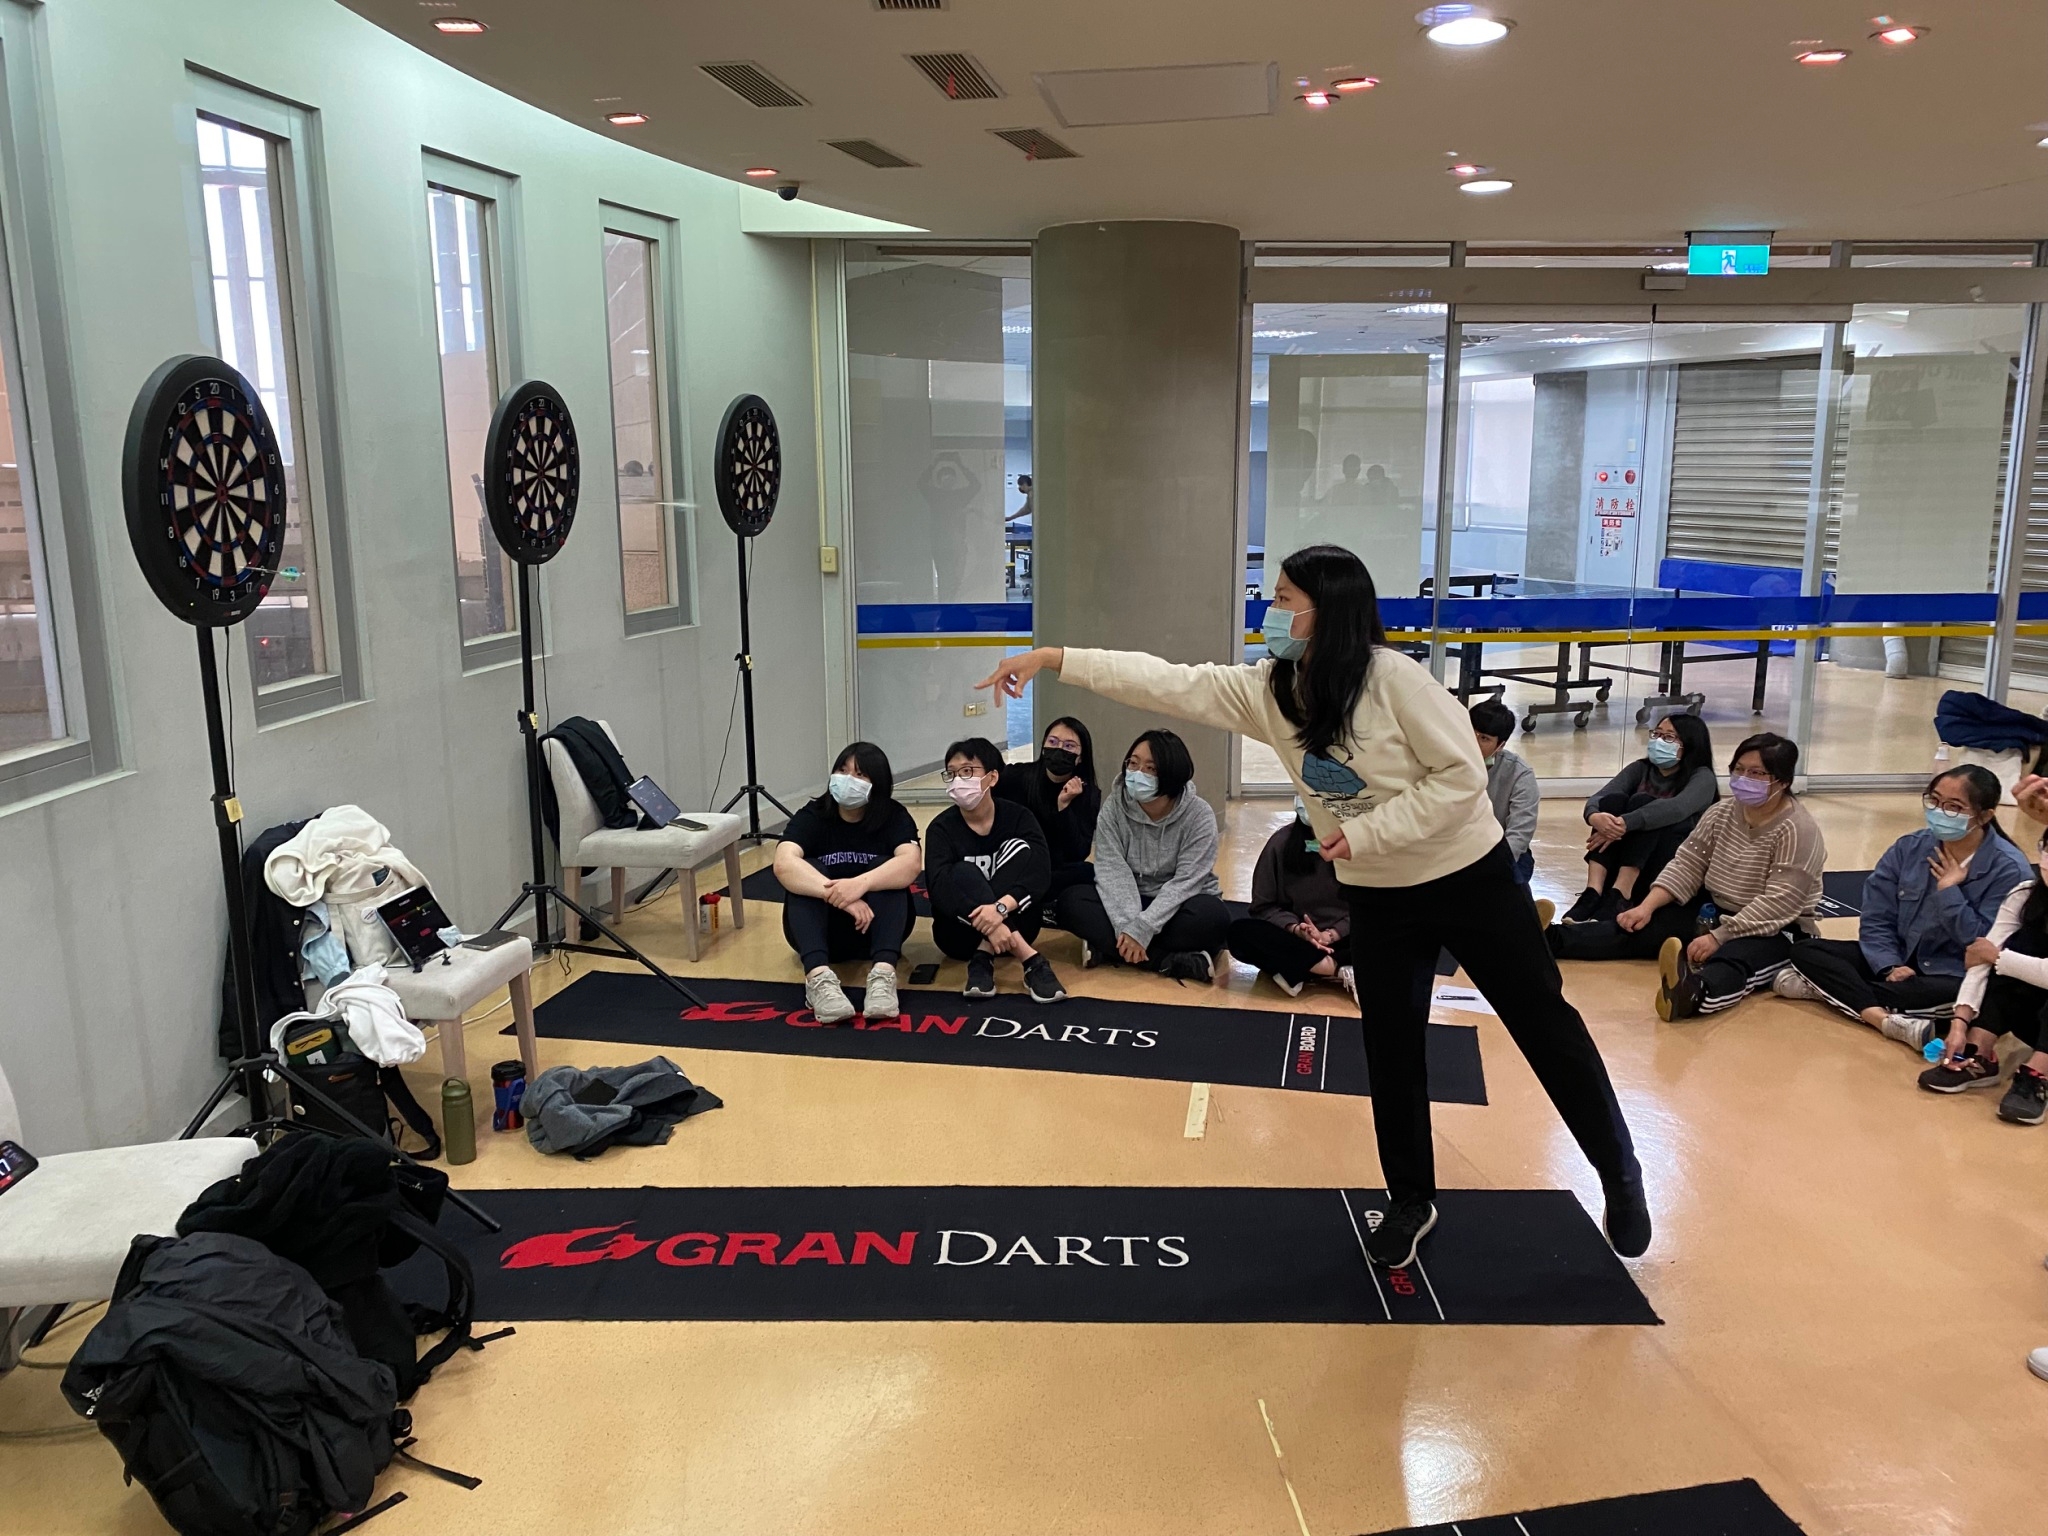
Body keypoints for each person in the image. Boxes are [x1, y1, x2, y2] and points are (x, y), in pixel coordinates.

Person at [977, 543, 1648, 1268]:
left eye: (1284, 599)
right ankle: (1411, 1199)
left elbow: (1461, 779)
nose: (1270, 610)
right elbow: (1169, 683)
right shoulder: (1274, 689)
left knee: (1543, 1023)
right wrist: (1054, 658)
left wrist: (1368, 834)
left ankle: (1618, 1169)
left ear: (1328, 612)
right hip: (1380, 896)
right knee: (1391, 1047)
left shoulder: (1396, 681)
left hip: (1467, 877)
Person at [1777, 766, 2031, 1051]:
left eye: (1954, 807)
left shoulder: (2009, 870)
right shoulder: (1909, 847)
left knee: (1953, 995)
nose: (1939, 811)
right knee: (1806, 951)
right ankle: (1883, 1017)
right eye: (1934, 801)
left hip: (1953, 974)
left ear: (1984, 816)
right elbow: (1876, 916)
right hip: (1899, 958)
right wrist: (1889, 965)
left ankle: (1829, 991)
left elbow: (1982, 946)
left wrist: (1949, 892)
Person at [1603, 733, 1825, 1021]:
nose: (1744, 778)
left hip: (1777, 929)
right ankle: (1556, 939)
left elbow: (1779, 903)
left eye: (1756, 773)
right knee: (1644, 927)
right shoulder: (1721, 813)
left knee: (1734, 959)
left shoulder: (1799, 830)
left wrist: (1719, 938)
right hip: (1717, 911)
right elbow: (1688, 864)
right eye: (1738, 769)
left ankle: (1692, 995)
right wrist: (1646, 906)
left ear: (1782, 781)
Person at [1056, 729, 1232, 983]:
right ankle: (1170, 961)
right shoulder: (1114, 807)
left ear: (1172, 773)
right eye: (1133, 763)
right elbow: (1111, 869)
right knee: (1071, 902)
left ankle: (1109, 949)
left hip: (1178, 904)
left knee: (1213, 918)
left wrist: (1143, 928)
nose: (1138, 773)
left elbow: (1188, 881)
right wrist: (1129, 926)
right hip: (1128, 898)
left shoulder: (1199, 815)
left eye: (1151, 768)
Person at [772, 742, 921, 1025]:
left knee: (886, 868)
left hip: (877, 929)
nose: (848, 779)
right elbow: (783, 863)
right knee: (806, 871)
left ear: (877, 784)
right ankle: (818, 979)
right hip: (821, 933)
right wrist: (841, 896)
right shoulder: (814, 814)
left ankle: (883, 976)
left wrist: (861, 884)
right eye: (842, 771)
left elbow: (911, 863)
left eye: (859, 775)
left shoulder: (893, 816)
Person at [923, 737, 1067, 1005]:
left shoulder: (1019, 817)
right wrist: (992, 921)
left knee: (1020, 849)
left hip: (1021, 922)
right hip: (958, 935)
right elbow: (940, 889)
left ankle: (983, 957)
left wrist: (999, 910)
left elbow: (1039, 874)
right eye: (952, 774)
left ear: (992, 777)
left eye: (967, 771)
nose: (958, 780)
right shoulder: (941, 828)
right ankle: (1031, 960)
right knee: (962, 872)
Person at [1561, 712, 1718, 923]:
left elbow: (1677, 808)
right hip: (1626, 849)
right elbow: (1601, 796)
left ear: (1689, 744)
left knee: (1643, 803)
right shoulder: (1641, 768)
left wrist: (1626, 823)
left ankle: (1622, 893)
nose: (1659, 741)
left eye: (1669, 737)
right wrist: (1595, 816)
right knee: (1612, 802)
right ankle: (1593, 891)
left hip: (1669, 859)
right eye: (1657, 734)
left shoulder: (1702, 777)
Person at [1226, 801, 1353, 997]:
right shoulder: (1281, 843)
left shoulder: (1358, 845)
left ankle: (1299, 968)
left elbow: (1373, 906)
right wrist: (1296, 929)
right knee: (1240, 933)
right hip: (1297, 941)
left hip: (1346, 937)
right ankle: (1338, 969)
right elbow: (1263, 906)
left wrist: (1331, 934)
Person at [993, 715, 1101, 925]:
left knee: (1088, 873)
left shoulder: (1087, 793)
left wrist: (1064, 807)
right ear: (1043, 746)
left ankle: (1031, 903)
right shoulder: (1018, 776)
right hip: (1015, 864)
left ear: (1080, 757)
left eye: (1069, 746)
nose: (1059, 749)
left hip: (1052, 870)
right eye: (1052, 742)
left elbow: (1078, 852)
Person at [1470, 699, 1538, 884]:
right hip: (1454, 849)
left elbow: (1519, 834)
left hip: (1499, 851)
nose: (1473, 742)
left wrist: (1490, 866)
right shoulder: (1444, 763)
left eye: (1484, 738)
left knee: (1504, 886)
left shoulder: (1519, 774)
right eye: (1470, 733)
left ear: (1500, 745)